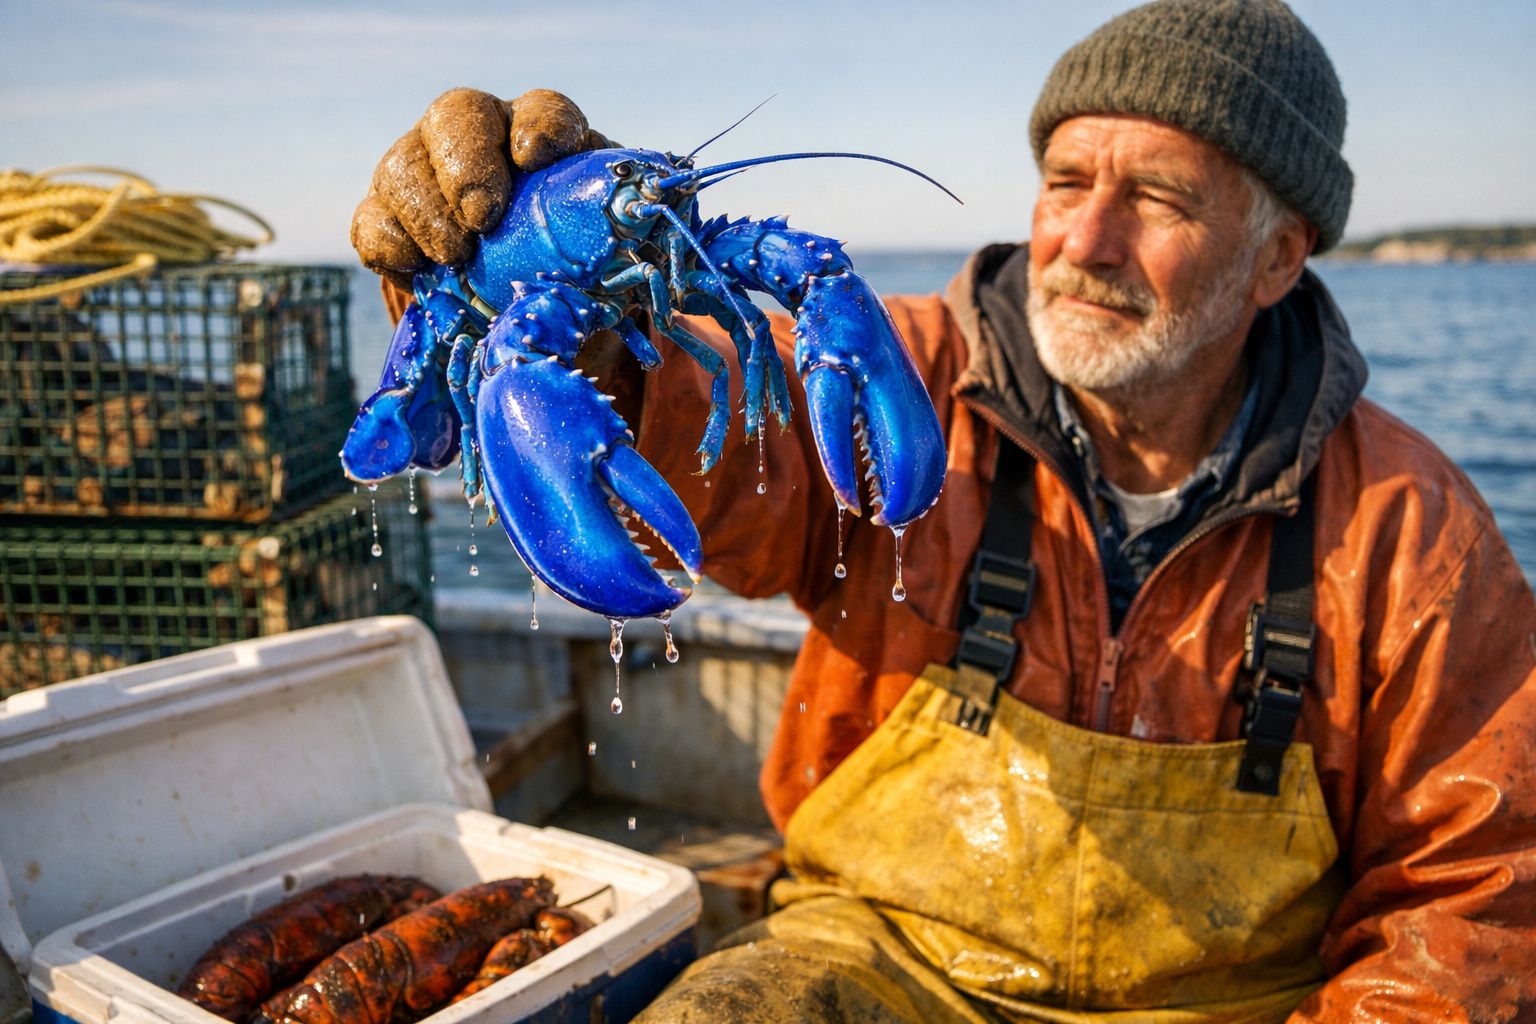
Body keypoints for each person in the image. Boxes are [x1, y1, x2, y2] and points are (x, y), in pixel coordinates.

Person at [354, 1, 1536, 1019]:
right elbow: (722, 455)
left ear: (1278, 258)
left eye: (1158, 198)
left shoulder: (1413, 529)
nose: (1085, 240)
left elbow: (1477, 901)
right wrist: (575, 326)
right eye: (1066, 182)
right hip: (876, 952)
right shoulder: (907, 371)